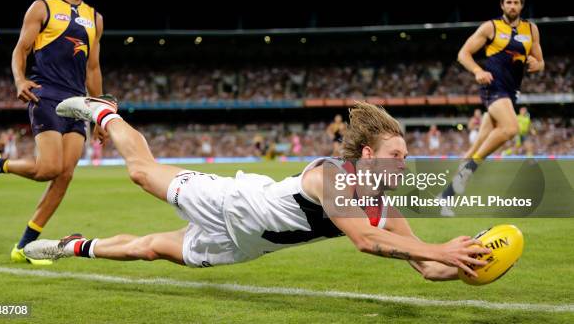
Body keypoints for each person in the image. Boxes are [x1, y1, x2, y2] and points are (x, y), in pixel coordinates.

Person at [25, 97, 489, 280]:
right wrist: (440, 249)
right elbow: (366, 242)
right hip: (234, 201)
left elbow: (426, 268)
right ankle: (105, 113)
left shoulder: (383, 207)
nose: (404, 164)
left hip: (245, 245)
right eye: (396, 155)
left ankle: (70, 247)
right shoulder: (332, 176)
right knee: (141, 172)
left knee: (146, 249)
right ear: (367, 156)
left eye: (406, 157)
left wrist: (471, 266)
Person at [0, 0, 108, 265]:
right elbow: (21, 50)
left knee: (65, 175)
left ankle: (24, 247)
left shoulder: (95, 17)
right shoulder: (42, 7)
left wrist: (99, 113)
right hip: (46, 95)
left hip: (79, 103)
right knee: (48, 169)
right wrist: (19, 80)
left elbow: (93, 69)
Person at [439, 0, 544, 208]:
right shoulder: (491, 27)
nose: (513, 6)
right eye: (509, 2)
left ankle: (446, 197)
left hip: (512, 92)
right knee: (511, 129)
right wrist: (478, 71)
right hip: (493, 88)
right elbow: (463, 54)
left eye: (516, 2)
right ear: (502, 5)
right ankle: (472, 167)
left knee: (475, 149)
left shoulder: (531, 29)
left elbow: (539, 60)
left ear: (521, 5)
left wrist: (538, 64)